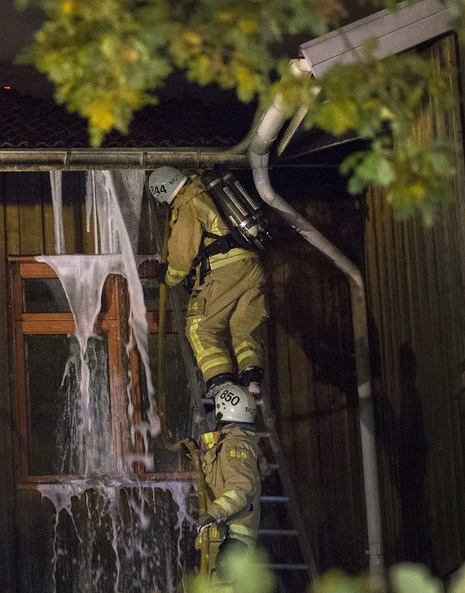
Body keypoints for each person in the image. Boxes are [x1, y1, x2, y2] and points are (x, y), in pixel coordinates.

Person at [147, 166, 269, 398]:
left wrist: (168, 276)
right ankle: (251, 377)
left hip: (226, 272)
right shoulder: (208, 192)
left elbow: (182, 255)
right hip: (252, 265)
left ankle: (221, 382)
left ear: (162, 194)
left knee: (200, 327)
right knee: (242, 326)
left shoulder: (188, 203)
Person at [193, 382, 270, 579]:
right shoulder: (231, 444)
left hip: (234, 536)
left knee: (225, 585)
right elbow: (220, 475)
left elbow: (241, 487)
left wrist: (213, 513)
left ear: (223, 412)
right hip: (228, 533)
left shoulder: (235, 446)